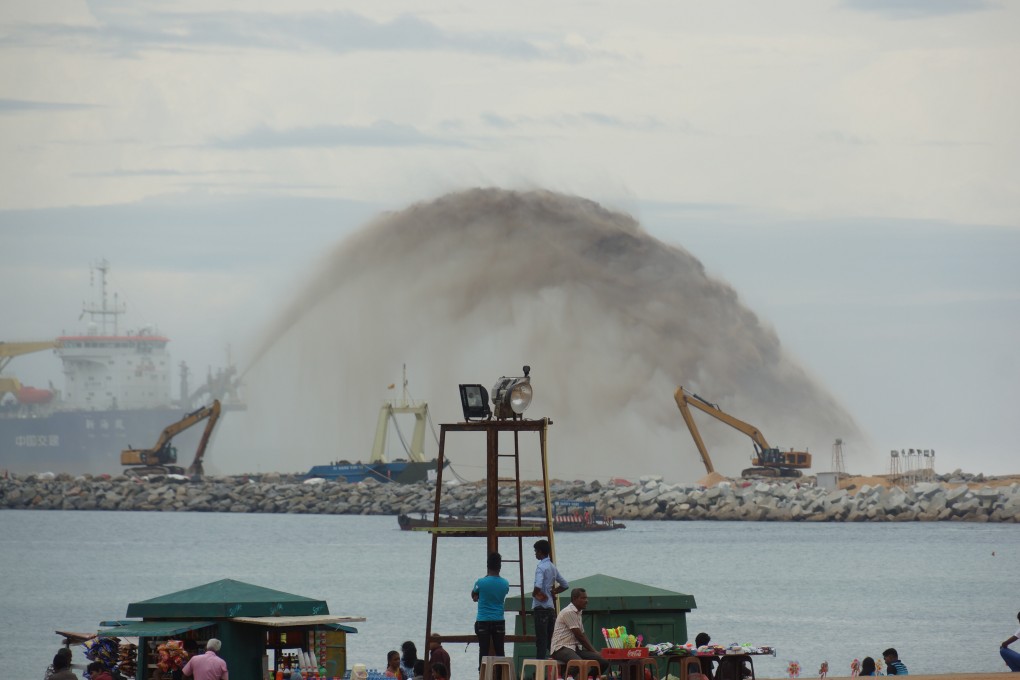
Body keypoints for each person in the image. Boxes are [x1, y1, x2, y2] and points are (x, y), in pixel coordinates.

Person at [549, 588, 608, 677]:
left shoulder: (578, 612)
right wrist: (594, 651)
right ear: (574, 599)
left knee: (603, 661)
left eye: (586, 598)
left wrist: (594, 652)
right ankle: (566, 677)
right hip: (560, 648)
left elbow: (582, 634)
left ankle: (589, 678)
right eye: (583, 598)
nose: (586, 601)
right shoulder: (569, 612)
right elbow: (579, 635)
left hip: (575, 648)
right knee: (578, 663)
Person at [532, 539, 569, 661]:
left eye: (536, 551)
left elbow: (538, 585)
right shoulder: (553, 567)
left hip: (540, 608)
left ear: (540, 552)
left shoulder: (541, 567)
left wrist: (535, 593)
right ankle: (555, 665)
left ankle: (540, 666)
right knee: (551, 641)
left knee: (541, 640)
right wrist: (553, 591)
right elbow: (565, 584)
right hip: (550, 608)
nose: (535, 554)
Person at [472, 552, 510, 669]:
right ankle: (501, 675)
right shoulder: (505, 583)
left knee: (483, 650)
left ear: (487, 566)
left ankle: (482, 673)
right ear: (500, 567)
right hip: (499, 620)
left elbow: (474, 596)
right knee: (500, 651)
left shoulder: (480, 582)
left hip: (483, 620)